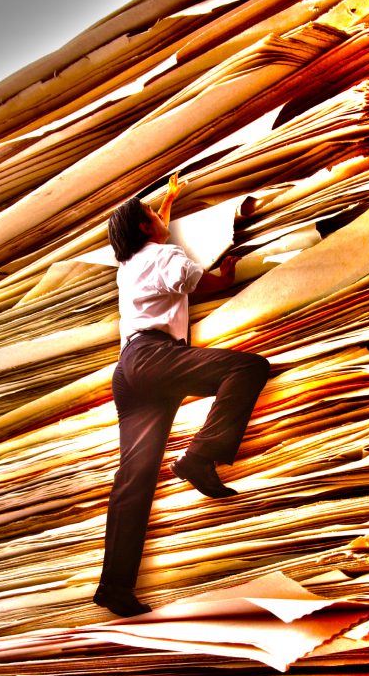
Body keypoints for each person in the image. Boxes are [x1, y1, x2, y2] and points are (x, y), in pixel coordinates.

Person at [94, 175, 270, 618]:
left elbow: (156, 233)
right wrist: (225, 274)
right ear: (142, 228)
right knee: (247, 368)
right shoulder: (165, 255)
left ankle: (114, 587)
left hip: (129, 371)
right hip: (157, 358)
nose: (160, 219)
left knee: (134, 480)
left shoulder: (129, 264)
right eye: (153, 215)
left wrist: (169, 199)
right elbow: (196, 282)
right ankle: (200, 456)